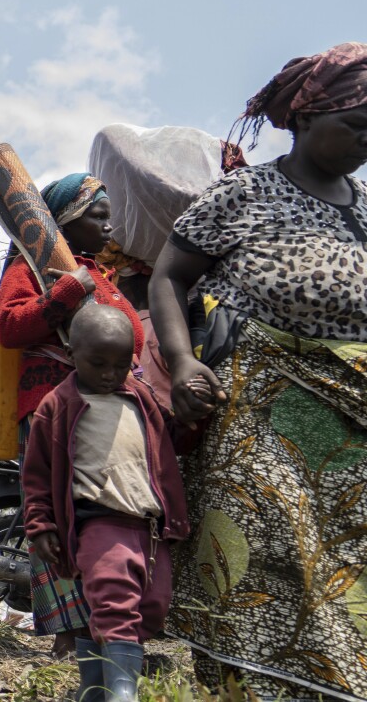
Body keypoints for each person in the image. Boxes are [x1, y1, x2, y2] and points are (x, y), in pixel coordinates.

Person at [150, 42, 367, 700]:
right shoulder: (246, 191)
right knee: (264, 555)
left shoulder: (364, 210)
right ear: (305, 120)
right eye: (355, 126)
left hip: (345, 418)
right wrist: (182, 360)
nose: (366, 142)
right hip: (256, 402)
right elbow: (167, 276)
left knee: (339, 568)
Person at [0, 174, 143, 655]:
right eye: (97, 217)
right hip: (51, 410)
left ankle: (104, 627)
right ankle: (68, 636)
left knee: (102, 515)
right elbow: (11, 327)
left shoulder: (99, 274)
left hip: (106, 410)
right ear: (64, 224)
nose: (108, 226)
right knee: (55, 516)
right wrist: (66, 293)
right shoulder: (33, 267)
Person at [22, 306, 197, 702]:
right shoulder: (58, 405)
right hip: (99, 522)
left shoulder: (142, 397)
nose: (108, 373)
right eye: (98, 363)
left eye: (119, 365)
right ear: (72, 354)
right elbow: (35, 476)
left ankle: (93, 689)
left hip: (150, 528)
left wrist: (193, 418)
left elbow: (174, 440)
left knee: (150, 607)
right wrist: (41, 525)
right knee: (116, 604)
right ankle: (122, 691)